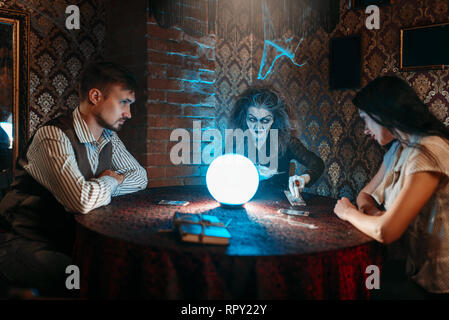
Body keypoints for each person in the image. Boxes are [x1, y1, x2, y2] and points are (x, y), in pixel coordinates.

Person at [0, 61, 148, 296]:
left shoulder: (109, 137)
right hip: (23, 241)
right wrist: (111, 180)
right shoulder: (52, 135)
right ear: (96, 96)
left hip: (70, 240)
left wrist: (111, 184)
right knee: (94, 275)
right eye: (124, 103)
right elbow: (80, 200)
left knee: (127, 267)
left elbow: (140, 177)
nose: (129, 113)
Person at [333, 76, 449, 299]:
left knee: (363, 285)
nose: (366, 130)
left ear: (382, 114)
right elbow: (365, 194)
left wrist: (348, 212)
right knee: (362, 278)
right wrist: (376, 213)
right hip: (411, 267)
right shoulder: (400, 148)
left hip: (437, 283)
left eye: (366, 119)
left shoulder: (429, 150)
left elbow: (385, 232)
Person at [228, 86, 324, 197]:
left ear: (274, 120)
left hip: (278, 205)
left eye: (265, 121)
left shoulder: (286, 141)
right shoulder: (236, 141)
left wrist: (303, 179)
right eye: (252, 119)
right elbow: (225, 175)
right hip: (243, 201)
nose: (258, 126)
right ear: (244, 118)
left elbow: (317, 164)